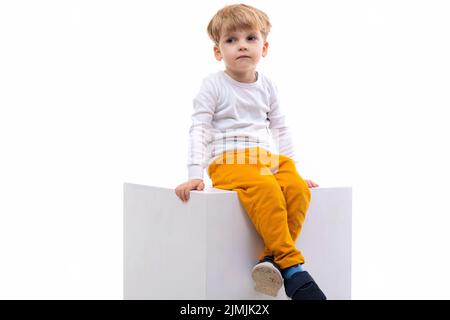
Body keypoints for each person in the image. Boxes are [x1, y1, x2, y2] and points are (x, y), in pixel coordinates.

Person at [175, 3, 326, 300]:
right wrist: (194, 173)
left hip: (264, 158)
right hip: (228, 159)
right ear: (218, 52)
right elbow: (200, 127)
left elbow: (281, 128)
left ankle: (269, 261)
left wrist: (293, 170)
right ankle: (293, 269)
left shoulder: (267, 86)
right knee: (267, 188)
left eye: (250, 38)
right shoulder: (213, 85)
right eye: (231, 40)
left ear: (264, 47)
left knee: (296, 189)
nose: (241, 46)